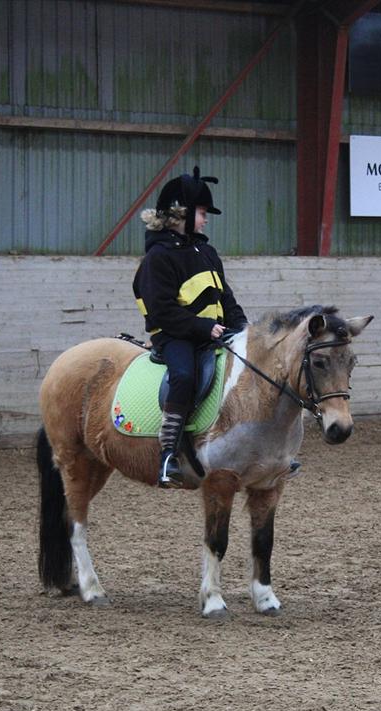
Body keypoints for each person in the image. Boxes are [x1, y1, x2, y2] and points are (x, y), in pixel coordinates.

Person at [133, 166, 247, 488]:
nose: (206, 219)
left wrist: (242, 328)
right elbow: (163, 311)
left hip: (213, 331)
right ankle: (168, 453)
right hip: (175, 336)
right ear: (179, 215)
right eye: (201, 212)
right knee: (184, 375)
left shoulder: (206, 252)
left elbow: (226, 296)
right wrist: (201, 328)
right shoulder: (158, 257)